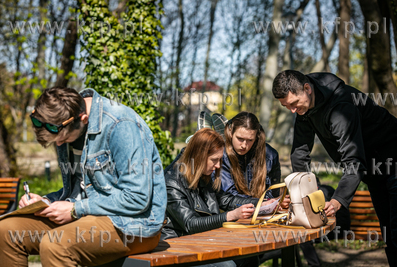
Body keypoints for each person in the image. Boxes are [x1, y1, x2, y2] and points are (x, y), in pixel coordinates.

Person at [0, 87, 166, 266]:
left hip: (133, 225)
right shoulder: (66, 121)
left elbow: (137, 198)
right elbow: (85, 189)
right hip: (86, 215)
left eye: (63, 139)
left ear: (83, 119)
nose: (60, 144)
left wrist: (75, 209)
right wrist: (46, 202)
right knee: (5, 231)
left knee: (56, 244)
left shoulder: (121, 124)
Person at [272, 70, 397, 266]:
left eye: (294, 104)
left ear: (307, 89)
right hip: (375, 174)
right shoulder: (305, 108)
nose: (292, 111)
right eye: (286, 106)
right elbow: (299, 153)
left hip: (394, 161)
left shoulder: (341, 107)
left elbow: (354, 160)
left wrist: (338, 199)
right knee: (389, 236)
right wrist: (304, 196)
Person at [162, 128, 274, 267]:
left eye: (220, 160)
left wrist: (262, 204)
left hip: (203, 241)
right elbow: (190, 224)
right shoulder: (171, 183)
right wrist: (230, 215)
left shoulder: (204, 176)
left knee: (249, 257)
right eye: (214, 160)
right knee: (227, 266)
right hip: (177, 247)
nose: (218, 165)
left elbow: (226, 200)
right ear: (199, 156)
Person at [220, 112, 281, 200]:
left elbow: (273, 193)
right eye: (240, 139)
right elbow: (228, 197)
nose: (244, 145)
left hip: (264, 211)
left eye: (250, 140)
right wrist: (260, 204)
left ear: (256, 137)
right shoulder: (221, 155)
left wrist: (275, 202)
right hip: (233, 211)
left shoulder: (270, 155)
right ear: (230, 132)